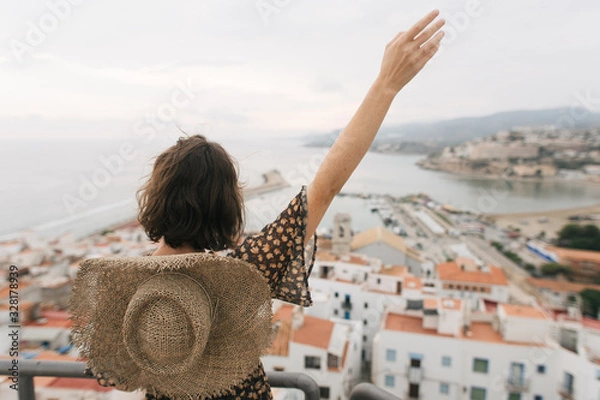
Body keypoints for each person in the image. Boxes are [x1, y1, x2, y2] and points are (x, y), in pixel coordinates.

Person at [79, 9, 445, 400]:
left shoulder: (129, 286)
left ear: (156, 197)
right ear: (226, 207)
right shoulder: (240, 276)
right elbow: (323, 189)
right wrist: (385, 85)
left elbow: (116, 375)